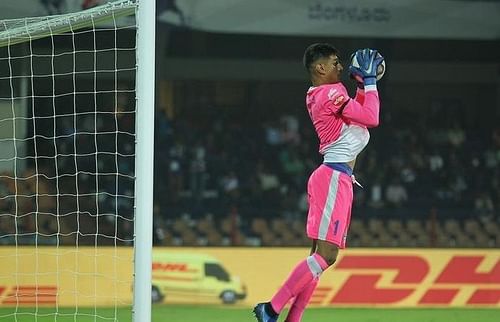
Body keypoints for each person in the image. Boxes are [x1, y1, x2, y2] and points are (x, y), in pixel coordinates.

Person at [253, 43, 384, 322]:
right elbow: (371, 118)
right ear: (320, 67)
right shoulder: (331, 93)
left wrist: (361, 86)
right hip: (334, 178)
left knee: (318, 259)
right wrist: (370, 82)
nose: (341, 66)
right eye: (335, 62)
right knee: (326, 256)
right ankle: (272, 308)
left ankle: (292, 318)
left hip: (334, 177)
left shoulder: (320, 93)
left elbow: (357, 120)